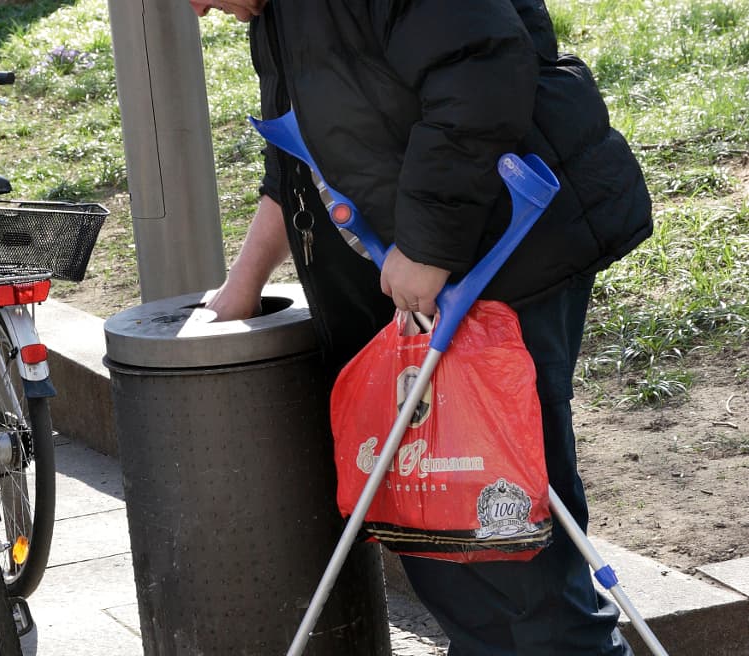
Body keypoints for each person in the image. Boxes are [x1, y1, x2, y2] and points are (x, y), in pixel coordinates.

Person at [188, 2, 653, 655]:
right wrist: (241, 286)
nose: (197, 8)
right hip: (423, 290)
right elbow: (301, 157)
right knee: (444, 523)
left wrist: (429, 246)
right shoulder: (278, 14)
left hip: (497, 266)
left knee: (507, 530)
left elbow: (481, 71)